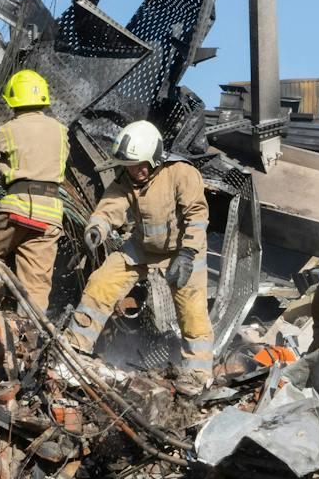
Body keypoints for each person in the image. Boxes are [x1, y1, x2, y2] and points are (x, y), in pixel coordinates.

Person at [64, 120, 213, 386]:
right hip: (142, 248)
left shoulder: (181, 173)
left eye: (140, 165)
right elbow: (109, 207)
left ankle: (197, 377)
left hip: (183, 251)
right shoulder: (126, 180)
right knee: (101, 283)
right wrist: (98, 228)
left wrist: (188, 253)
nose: (135, 171)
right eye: (130, 166)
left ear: (155, 158)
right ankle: (74, 348)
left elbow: (197, 216)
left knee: (193, 314)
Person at [0, 69, 68, 314]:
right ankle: (30, 330)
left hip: (19, 206)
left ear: (13, 100)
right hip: (51, 215)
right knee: (36, 284)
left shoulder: (11, 129)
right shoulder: (61, 131)